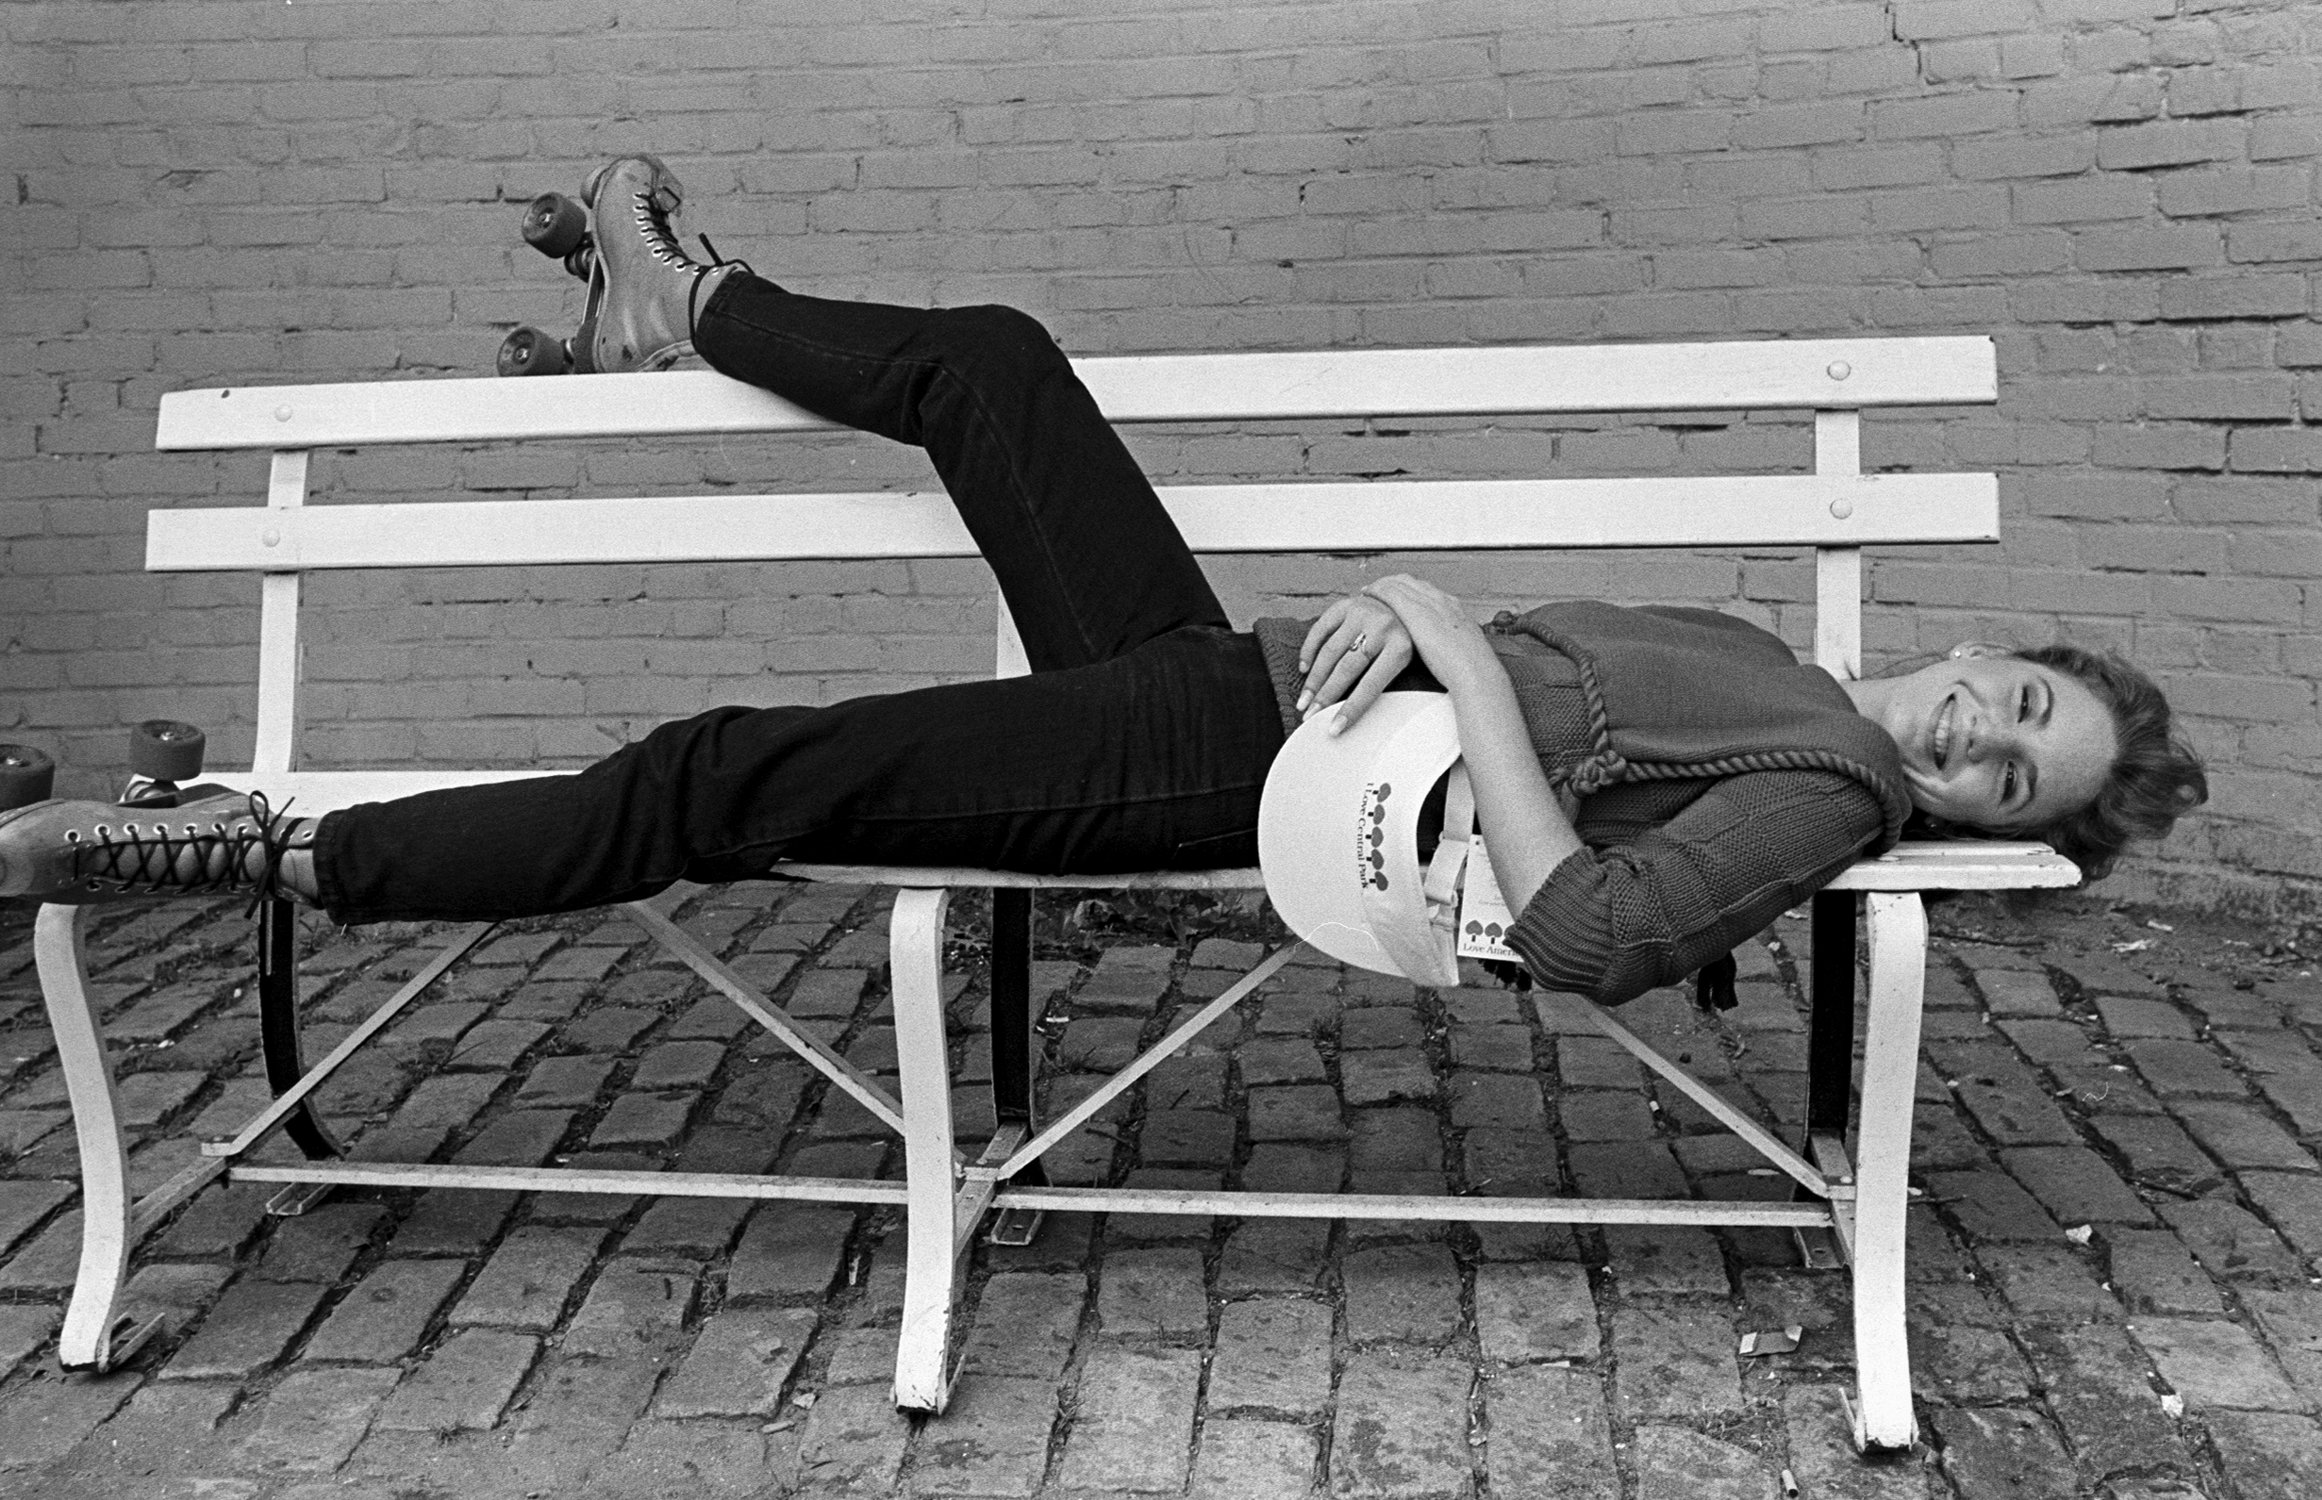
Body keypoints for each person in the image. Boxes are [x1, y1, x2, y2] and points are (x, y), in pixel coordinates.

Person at [0, 158, 2208, 1006]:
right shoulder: (1790, 680)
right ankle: (686, 308)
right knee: (996, 369)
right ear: (1978, 651)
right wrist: (1423, 639)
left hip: (1224, 762)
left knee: (727, 771)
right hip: (1221, 676)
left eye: (2010, 785)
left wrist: (1439, 626)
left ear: (1968, 819)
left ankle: (267, 857)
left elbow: (1598, 932)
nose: (1972, 745)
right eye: (2011, 705)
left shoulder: (1825, 786)